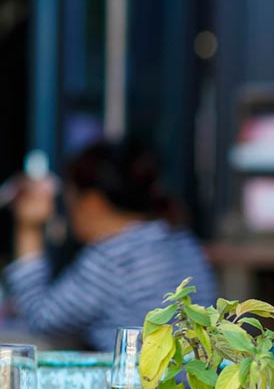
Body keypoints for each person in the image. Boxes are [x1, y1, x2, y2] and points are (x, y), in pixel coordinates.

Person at [3, 139, 215, 350]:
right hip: (189, 381)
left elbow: (42, 320)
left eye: (70, 198)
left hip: (141, 382)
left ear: (92, 203)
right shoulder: (183, 241)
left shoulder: (114, 257)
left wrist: (28, 228)